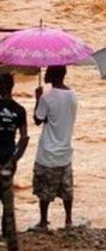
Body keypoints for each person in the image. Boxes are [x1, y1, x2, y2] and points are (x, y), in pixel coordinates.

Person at [33, 66, 77, 230]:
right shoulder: (72, 95)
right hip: (65, 149)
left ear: (52, 75)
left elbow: (38, 120)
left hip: (48, 151)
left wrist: (38, 99)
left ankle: (44, 221)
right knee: (66, 190)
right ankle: (68, 220)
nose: (44, 74)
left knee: (44, 190)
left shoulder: (47, 97)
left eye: (47, 72)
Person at [0, 73, 29, 251]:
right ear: (12, 87)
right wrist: (13, 160)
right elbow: (24, 138)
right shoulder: (19, 110)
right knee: (8, 202)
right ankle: (10, 241)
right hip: (10, 162)